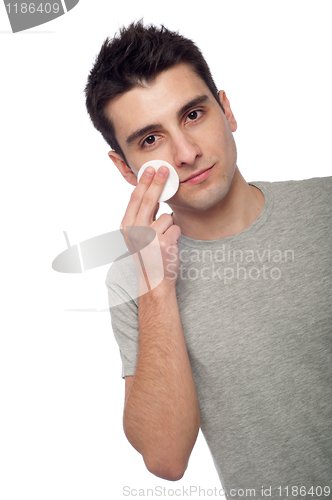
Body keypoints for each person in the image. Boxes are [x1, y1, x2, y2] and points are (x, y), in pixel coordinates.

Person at [84, 21, 332, 500]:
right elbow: (166, 457)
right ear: (124, 167)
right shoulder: (130, 280)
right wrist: (156, 288)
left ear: (227, 109)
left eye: (194, 114)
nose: (188, 153)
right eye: (150, 140)